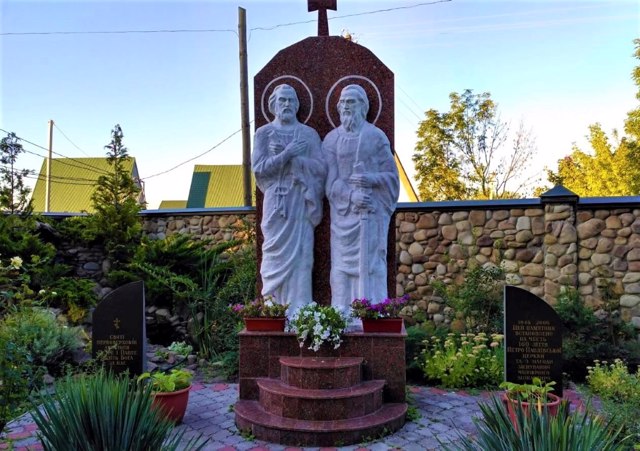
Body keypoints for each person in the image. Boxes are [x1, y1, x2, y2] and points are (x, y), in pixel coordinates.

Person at [323, 84, 399, 311]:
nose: (346, 106)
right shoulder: (331, 140)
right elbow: (329, 182)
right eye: (343, 102)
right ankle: (341, 314)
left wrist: (370, 180)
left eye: (352, 101)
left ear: (363, 106)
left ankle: (374, 312)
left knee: (372, 265)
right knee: (341, 267)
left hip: (371, 214)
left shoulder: (376, 137)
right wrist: (351, 196)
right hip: (343, 217)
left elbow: (392, 178)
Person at [252, 84, 325, 314]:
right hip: (276, 201)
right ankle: (273, 308)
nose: (286, 104)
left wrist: (296, 160)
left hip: (300, 199)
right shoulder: (264, 133)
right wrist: (286, 154)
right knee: (272, 252)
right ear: (273, 104)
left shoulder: (308, 134)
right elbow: (259, 169)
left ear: (297, 104)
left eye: (291, 100)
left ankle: (301, 310)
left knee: (303, 255)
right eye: (282, 100)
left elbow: (321, 169)